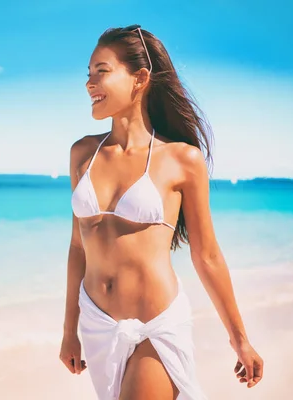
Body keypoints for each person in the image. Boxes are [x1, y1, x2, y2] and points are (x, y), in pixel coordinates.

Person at [59, 25, 264, 400]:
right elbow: (78, 248)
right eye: (87, 74)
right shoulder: (82, 154)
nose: (89, 83)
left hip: (154, 326)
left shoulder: (182, 159)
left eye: (101, 71)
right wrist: (68, 330)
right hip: (97, 325)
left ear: (139, 78)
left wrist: (240, 339)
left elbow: (207, 255)